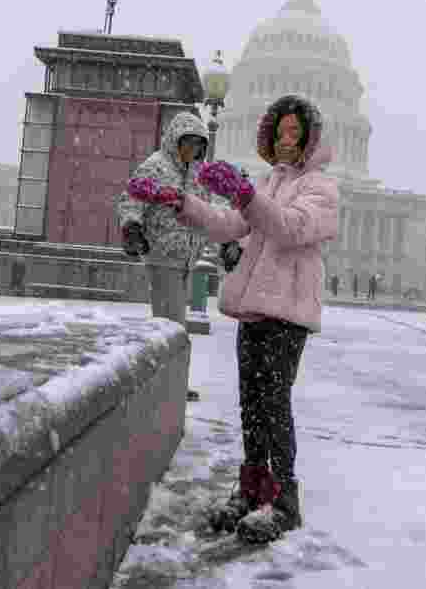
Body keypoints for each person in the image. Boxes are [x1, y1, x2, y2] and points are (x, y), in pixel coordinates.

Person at [124, 94, 338, 544]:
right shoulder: (270, 183)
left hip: (287, 315)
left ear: (309, 140)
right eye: (279, 132)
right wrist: (179, 200)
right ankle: (253, 488)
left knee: (274, 407)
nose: (284, 140)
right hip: (254, 309)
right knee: (251, 405)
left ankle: (284, 501)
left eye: (294, 133)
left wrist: (245, 194)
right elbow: (227, 225)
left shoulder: (320, 188)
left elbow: (289, 228)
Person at [117, 111, 211, 326]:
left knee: (171, 325)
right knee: (171, 324)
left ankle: (167, 357)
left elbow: (207, 213)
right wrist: (131, 227)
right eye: (187, 142)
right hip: (163, 254)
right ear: (175, 140)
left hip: (186, 259)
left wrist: (226, 241)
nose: (192, 149)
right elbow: (132, 197)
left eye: (197, 144)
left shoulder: (197, 173)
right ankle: (168, 358)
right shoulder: (157, 165)